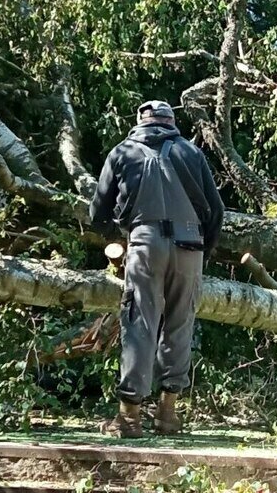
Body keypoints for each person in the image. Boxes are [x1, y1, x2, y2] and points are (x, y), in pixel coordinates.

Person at [90, 100, 224, 437]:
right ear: (171, 122)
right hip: (190, 246)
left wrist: (117, 236)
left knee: (139, 323)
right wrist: (201, 249)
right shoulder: (192, 153)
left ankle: (129, 418)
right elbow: (216, 210)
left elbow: (97, 214)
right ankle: (167, 415)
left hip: (146, 244)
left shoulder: (121, 152)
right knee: (180, 324)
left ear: (140, 122)